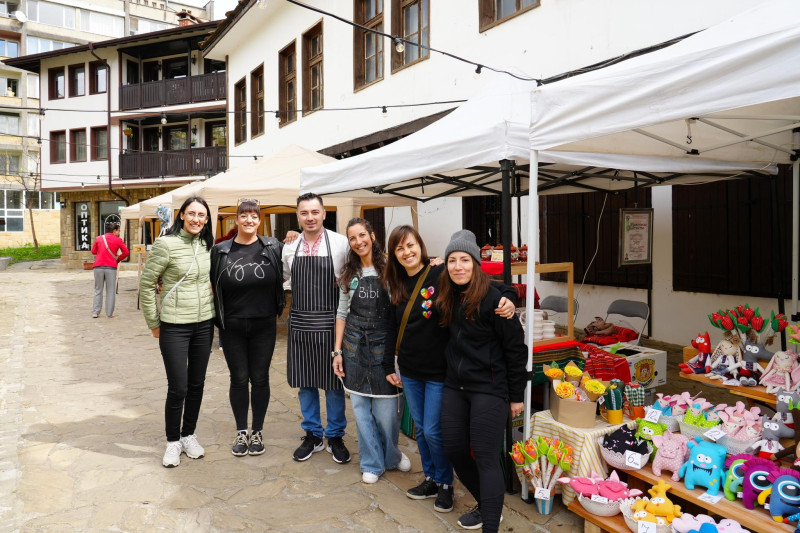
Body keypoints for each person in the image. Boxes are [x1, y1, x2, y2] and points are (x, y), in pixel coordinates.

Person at [382, 226, 517, 514]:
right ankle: (431, 477)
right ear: (394, 254)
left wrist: (510, 296)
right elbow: (391, 326)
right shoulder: (394, 282)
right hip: (410, 369)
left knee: (433, 431)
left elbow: (485, 283)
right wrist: (387, 364)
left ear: (420, 245)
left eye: (411, 245)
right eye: (400, 248)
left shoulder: (439, 273)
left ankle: (445, 483)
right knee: (421, 429)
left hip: (440, 371)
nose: (407, 252)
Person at [437, 229, 527, 532]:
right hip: (455, 385)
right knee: (453, 448)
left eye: (464, 260)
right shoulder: (447, 292)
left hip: (489, 388)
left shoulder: (495, 300)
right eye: (452, 260)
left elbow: (516, 349)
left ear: (475, 263)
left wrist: (517, 395)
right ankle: (488, 504)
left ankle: (490, 524)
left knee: (487, 456)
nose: (458, 266)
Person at [332, 218, 410, 483]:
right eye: (352, 238)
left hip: (383, 348)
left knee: (387, 413)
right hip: (354, 348)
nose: (358, 242)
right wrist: (337, 351)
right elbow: (342, 313)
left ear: (373, 236)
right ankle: (372, 463)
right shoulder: (348, 274)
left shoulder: (391, 269)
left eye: (362, 235)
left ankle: (392, 455)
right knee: (362, 411)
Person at [139, 196, 215, 468]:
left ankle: (188, 434)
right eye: (192, 213)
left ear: (207, 220)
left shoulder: (209, 245)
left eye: (202, 215)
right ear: (181, 215)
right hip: (173, 325)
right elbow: (147, 284)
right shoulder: (166, 244)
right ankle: (173, 441)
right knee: (179, 387)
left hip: (204, 323)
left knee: (197, 384)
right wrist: (154, 323)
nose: (196, 219)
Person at [210, 200, 285, 457]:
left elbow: (293, 259)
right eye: (244, 216)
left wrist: (294, 236)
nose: (249, 221)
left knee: (260, 378)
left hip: (264, 323)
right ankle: (242, 432)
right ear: (237, 219)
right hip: (231, 325)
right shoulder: (220, 251)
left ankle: (258, 432)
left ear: (259, 220)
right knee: (239, 378)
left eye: (254, 216)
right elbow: (209, 281)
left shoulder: (273, 246)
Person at [282, 193, 351, 463]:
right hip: (299, 323)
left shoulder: (341, 243)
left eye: (314, 212)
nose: (309, 217)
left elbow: (353, 277)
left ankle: (335, 435)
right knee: (305, 383)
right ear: (298, 216)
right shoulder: (290, 246)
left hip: (331, 324)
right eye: (304, 213)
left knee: (334, 384)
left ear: (324, 214)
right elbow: (283, 277)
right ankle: (312, 434)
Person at [91, 221, 129, 318]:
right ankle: (109, 313)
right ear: (114, 231)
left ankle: (95, 312)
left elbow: (93, 251)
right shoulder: (118, 240)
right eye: (118, 231)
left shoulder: (99, 238)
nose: (119, 232)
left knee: (98, 289)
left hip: (98, 267)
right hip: (111, 267)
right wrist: (117, 258)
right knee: (110, 290)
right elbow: (126, 252)